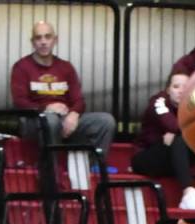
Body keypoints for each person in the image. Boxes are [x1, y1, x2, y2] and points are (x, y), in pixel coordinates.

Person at [10, 21, 116, 158]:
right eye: (38, 37)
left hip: (65, 118)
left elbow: (79, 100)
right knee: (51, 120)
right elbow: (20, 102)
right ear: (32, 42)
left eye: (48, 37)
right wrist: (47, 108)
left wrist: (73, 114)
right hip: (34, 120)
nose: (43, 42)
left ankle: (92, 172)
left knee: (106, 121)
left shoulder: (66, 67)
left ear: (55, 40)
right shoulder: (21, 67)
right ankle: (52, 174)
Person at [132, 72, 195, 212]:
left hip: (174, 158)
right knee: (181, 137)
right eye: (176, 86)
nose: (181, 91)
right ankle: (188, 194)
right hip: (147, 158)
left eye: (186, 87)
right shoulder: (159, 101)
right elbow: (172, 124)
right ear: (168, 90)